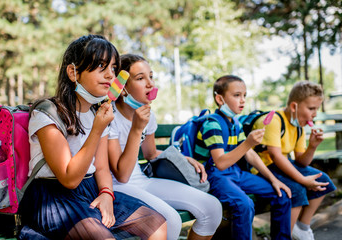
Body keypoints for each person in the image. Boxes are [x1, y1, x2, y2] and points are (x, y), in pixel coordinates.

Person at [18, 35, 167, 240]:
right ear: (73, 72)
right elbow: (69, 178)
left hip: (91, 189)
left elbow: (102, 168)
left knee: (157, 224)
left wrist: (106, 193)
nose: (110, 75)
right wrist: (97, 130)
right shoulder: (47, 112)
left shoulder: (96, 113)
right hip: (53, 196)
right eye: (100, 66)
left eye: (113, 68)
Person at [108, 54, 223, 240]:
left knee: (212, 207)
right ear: (123, 88)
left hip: (143, 181)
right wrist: (136, 129)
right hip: (117, 186)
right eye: (140, 78)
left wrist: (185, 158)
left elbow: (151, 153)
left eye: (151, 76)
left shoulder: (148, 116)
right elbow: (121, 175)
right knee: (170, 221)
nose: (150, 84)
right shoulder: (109, 115)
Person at [194, 75, 293, 240]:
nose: (243, 100)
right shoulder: (212, 124)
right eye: (237, 95)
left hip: (235, 172)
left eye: (244, 95)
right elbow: (220, 163)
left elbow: (250, 154)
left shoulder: (235, 123)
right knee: (244, 204)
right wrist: (248, 143)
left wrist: (273, 179)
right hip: (215, 175)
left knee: (280, 194)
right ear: (220, 99)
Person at [252, 81, 336, 240]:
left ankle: (302, 227)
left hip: (282, 164)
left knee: (323, 180)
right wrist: (303, 180)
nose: (315, 114)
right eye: (311, 108)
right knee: (296, 189)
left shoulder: (298, 126)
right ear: (294, 107)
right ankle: (285, 235)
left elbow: (301, 161)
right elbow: (276, 156)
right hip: (262, 168)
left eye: (316, 109)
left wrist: (312, 147)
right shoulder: (274, 120)